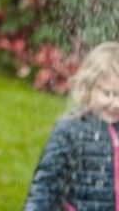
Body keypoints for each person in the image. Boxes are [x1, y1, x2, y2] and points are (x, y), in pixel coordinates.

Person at [24, 42, 119, 211]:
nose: (116, 104)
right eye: (108, 93)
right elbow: (46, 185)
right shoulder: (70, 130)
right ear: (88, 87)